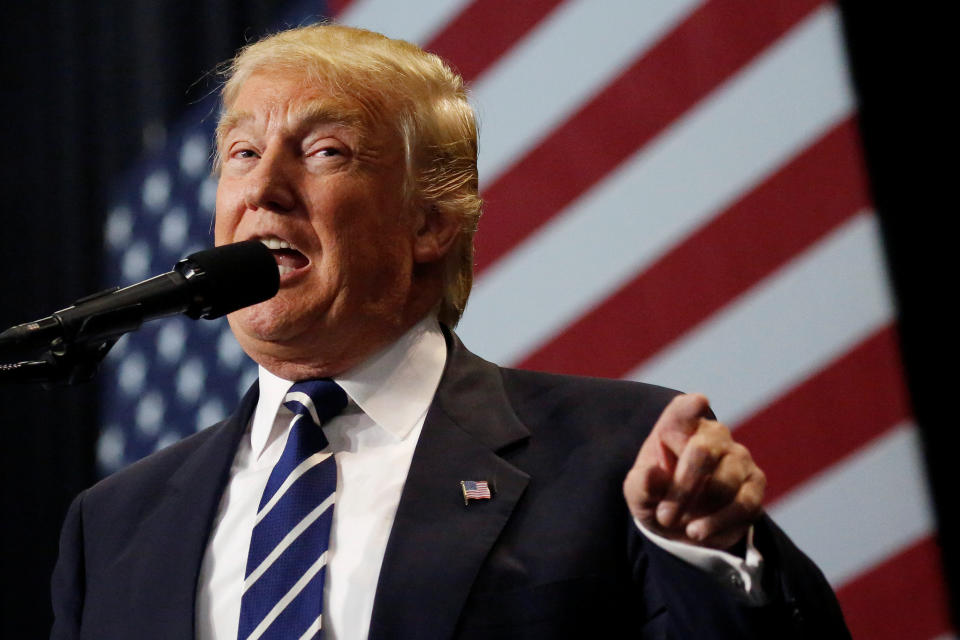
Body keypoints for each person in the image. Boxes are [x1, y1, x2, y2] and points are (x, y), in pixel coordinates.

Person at [50, 24, 850, 639]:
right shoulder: (115, 522)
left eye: (325, 150)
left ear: (432, 220)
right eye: (242, 151)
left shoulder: (622, 455)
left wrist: (707, 557)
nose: (262, 186)